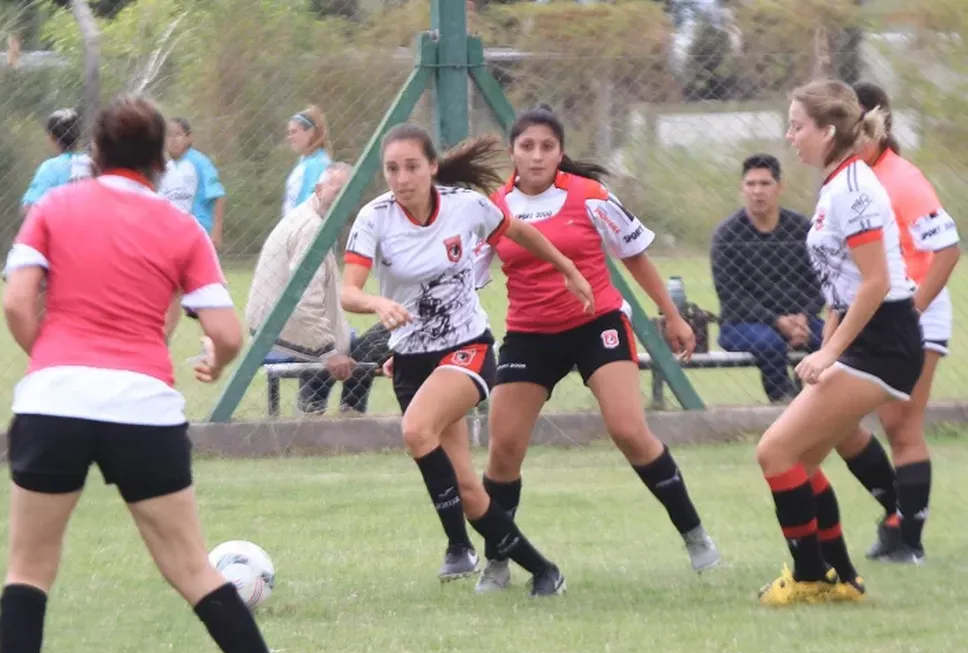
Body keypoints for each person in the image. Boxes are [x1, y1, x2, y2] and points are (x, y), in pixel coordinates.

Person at [0, 95, 312, 653]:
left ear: (94, 155)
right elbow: (225, 330)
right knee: (191, 566)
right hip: (143, 407)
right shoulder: (179, 226)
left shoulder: (51, 208)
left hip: (55, 401)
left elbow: (17, 301)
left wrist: (48, 356)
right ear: (160, 162)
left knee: (29, 565)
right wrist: (215, 356)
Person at [470, 104, 720, 594]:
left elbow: (635, 255)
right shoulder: (493, 209)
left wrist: (671, 315)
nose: (537, 156)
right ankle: (498, 560)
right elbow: (467, 279)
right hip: (529, 334)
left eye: (547, 147)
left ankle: (693, 532)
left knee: (628, 429)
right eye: (527, 146)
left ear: (561, 153)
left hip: (595, 324)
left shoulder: (590, 196)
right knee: (503, 449)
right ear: (512, 153)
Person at [340, 123, 595, 596]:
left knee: (416, 430)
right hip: (410, 358)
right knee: (467, 488)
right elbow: (348, 292)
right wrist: (377, 304)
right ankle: (542, 570)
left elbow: (520, 233)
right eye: (392, 169)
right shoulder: (374, 218)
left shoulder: (466, 206)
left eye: (412, 167)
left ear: (432, 167)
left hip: (467, 347)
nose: (402, 178)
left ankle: (458, 548)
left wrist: (569, 269)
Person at [755, 79, 924, 605]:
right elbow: (841, 289)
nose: (790, 136)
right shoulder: (837, 185)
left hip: (884, 344)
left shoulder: (854, 191)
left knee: (775, 451)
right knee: (800, 462)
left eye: (798, 126)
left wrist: (831, 353)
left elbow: (874, 284)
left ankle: (810, 577)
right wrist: (826, 351)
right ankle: (844, 579)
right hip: (861, 343)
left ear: (828, 131)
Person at [833, 82, 960, 564]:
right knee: (837, 423)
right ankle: (896, 513)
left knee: (901, 426)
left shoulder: (900, 179)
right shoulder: (846, 179)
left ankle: (908, 540)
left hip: (913, 314)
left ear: (876, 123)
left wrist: (912, 312)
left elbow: (946, 250)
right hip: (868, 314)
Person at [245, 162, 389, 414]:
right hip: (281, 330)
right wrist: (329, 352)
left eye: (350, 194)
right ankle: (334, 410)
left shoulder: (308, 218)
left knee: (358, 344)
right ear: (319, 189)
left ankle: (323, 406)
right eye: (337, 191)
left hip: (273, 324)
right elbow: (304, 299)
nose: (343, 200)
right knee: (375, 343)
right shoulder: (311, 228)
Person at [711, 154, 825, 402]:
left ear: (779, 187)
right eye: (751, 184)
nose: (757, 191)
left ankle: (823, 402)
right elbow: (731, 297)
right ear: (742, 188)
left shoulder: (800, 229)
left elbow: (819, 284)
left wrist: (803, 317)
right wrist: (777, 321)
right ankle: (784, 403)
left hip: (799, 320)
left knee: (832, 339)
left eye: (765, 184)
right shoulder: (727, 235)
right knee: (769, 342)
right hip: (741, 324)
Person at [159, 117, 227, 251]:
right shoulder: (166, 168)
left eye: (178, 134)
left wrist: (216, 232)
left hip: (198, 234)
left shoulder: (200, 163)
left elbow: (219, 196)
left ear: (189, 138)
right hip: (172, 236)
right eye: (169, 135)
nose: (173, 140)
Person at [20, 108, 94, 214]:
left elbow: (29, 207)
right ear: (78, 136)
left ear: (52, 137)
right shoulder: (91, 164)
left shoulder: (50, 167)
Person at [283, 107, 332, 218]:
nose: (289, 137)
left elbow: (310, 206)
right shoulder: (305, 161)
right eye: (288, 133)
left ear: (310, 132)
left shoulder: (317, 165)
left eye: (294, 132)